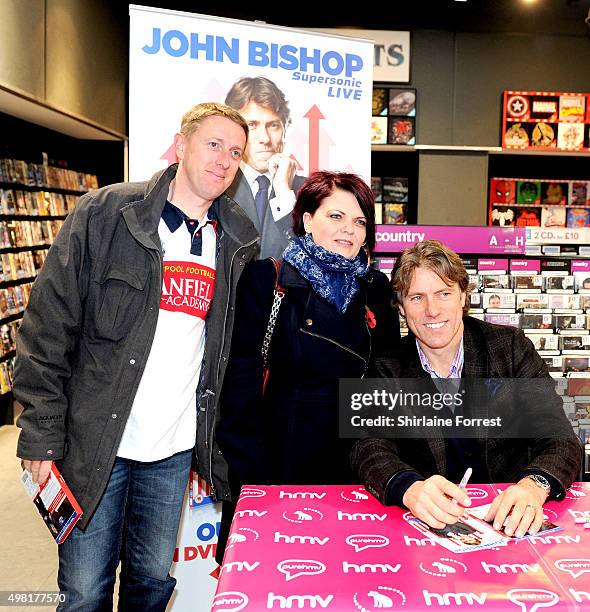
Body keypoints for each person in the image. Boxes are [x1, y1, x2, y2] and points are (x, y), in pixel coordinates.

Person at [14, 102, 259, 611]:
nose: (223, 160)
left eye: (235, 152)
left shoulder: (237, 240)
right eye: (213, 144)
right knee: (84, 592)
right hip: (94, 442)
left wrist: (209, 449)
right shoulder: (104, 214)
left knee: (151, 585)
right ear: (181, 144)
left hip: (171, 452)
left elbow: (220, 357)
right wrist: (39, 434)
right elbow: (46, 329)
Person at [215, 171, 400, 563]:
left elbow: (387, 387)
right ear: (307, 219)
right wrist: (256, 483)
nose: (349, 230)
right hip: (274, 474)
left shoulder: (376, 293)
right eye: (336, 216)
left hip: (355, 477)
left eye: (360, 221)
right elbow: (239, 386)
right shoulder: (268, 280)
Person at [352, 240, 582, 539]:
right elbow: (365, 445)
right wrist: (409, 487)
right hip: (424, 535)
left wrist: (534, 486)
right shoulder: (385, 365)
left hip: (511, 530)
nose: (432, 310)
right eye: (416, 297)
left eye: (443, 293)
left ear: (463, 295)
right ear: (400, 306)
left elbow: (560, 438)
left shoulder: (510, 348)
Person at [225, 76, 306, 259]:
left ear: (285, 129)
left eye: (274, 126)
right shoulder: (217, 184)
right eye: (252, 125)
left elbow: (310, 262)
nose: (265, 138)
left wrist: (284, 193)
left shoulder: (310, 192)